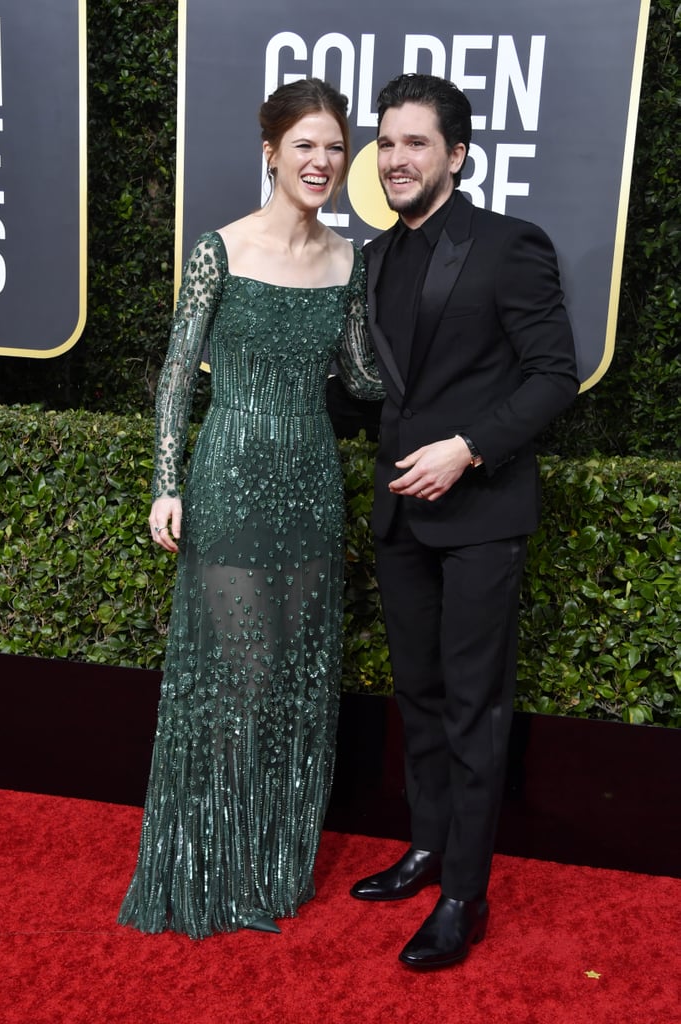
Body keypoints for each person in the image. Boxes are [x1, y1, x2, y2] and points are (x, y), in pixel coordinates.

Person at [118, 78, 383, 938]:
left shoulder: (349, 259)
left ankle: (272, 857)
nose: (320, 161)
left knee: (296, 680)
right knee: (241, 675)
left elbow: (365, 381)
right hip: (230, 471)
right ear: (270, 151)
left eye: (334, 147)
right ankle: (211, 860)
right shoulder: (217, 251)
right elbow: (173, 375)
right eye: (304, 145)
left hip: (309, 476)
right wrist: (166, 482)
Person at [349, 73, 580, 969]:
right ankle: (426, 844)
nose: (396, 158)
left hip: (479, 512)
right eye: (386, 141)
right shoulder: (371, 257)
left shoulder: (508, 245)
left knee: (476, 706)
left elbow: (551, 375)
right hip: (399, 519)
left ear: (456, 154)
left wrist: (467, 449)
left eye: (415, 142)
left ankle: (463, 897)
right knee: (420, 695)